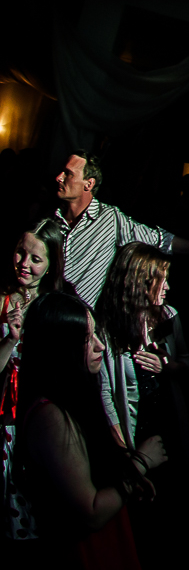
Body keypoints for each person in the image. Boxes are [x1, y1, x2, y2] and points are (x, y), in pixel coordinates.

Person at [15, 291, 167, 569]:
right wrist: (142, 462)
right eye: (87, 339)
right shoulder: (50, 417)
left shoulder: (73, 399)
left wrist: (127, 477)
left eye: (96, 333)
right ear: (60, 346)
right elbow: (92, 512)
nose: (100, 346)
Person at [54, 150, 189, 308]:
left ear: (89, 184)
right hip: (46, 316)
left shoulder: (109, 219)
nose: (59, 178)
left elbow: (161, 240)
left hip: (79, 321)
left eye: (68, 174)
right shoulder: (51, 219)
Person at [2, 219, 72, 540]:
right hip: (5, 419)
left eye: (35, 259)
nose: (24, 264)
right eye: (21, 252)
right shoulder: (2, 298)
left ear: (51, 264)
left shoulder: (56, 305)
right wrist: (10, 339)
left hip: (38, 418)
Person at [94, 244, 189, 459]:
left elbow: (188, 363)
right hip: (136, 435)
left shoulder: (169, 316)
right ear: (141, 282)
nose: (167, 287)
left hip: (171, 428)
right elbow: (105, 395)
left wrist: (170, 367)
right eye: (161, 280)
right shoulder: (106, 330)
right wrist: (125, 454)